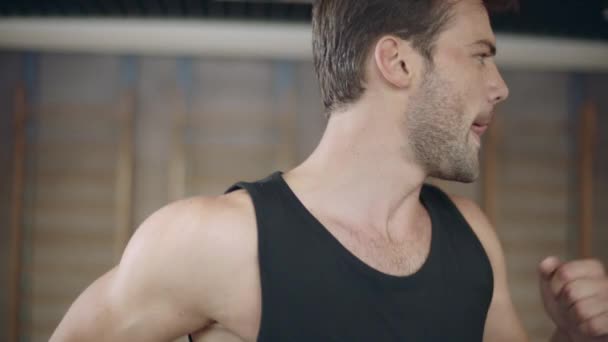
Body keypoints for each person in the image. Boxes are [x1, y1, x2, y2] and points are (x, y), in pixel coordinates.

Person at [51, 0, 608, 341]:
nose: (500, 85)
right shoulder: (215, 241)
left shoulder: (474, 238)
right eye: (481, 54)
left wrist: (571, 335)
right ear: (398, 62)